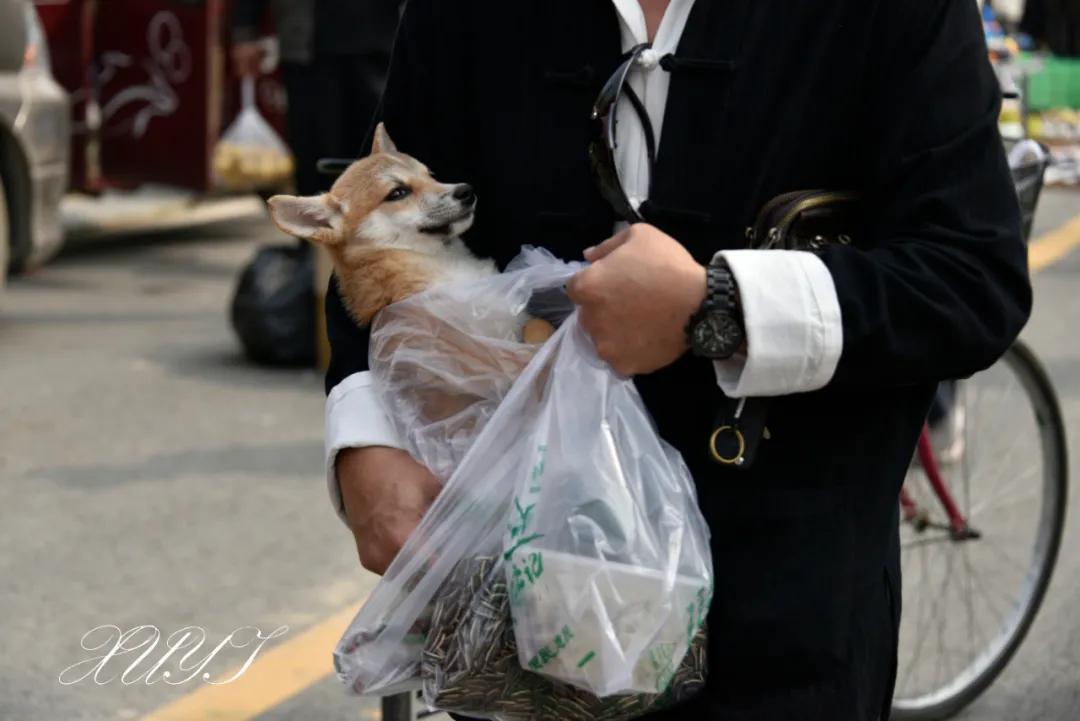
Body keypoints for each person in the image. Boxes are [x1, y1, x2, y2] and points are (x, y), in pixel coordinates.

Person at [322, 1, 1031, 719]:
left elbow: (972, 279)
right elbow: (377, 242)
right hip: (517, 618)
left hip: (788, 619)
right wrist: (365, 445)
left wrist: (719, 305)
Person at [230, 0, 403, 195]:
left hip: (379, 46)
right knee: (313, 164)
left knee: (381, 160)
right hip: (308, 51)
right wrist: (245, 31)